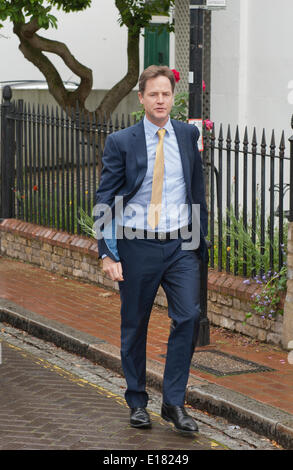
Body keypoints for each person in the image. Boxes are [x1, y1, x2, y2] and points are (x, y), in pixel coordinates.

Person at [95, 65, 208, 434]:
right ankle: (137, 400)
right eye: (154, 94)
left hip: (179, 246)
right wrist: (107, 253)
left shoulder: (188, 134)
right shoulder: (122, 142)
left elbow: (195, 191)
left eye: (166, 94)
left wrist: (194, 244)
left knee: (189, 317)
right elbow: (106, 199)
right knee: (135, 325)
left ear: (173, 98)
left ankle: (173, 402)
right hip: (137, 245)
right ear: (141, 98)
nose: (161, 100)